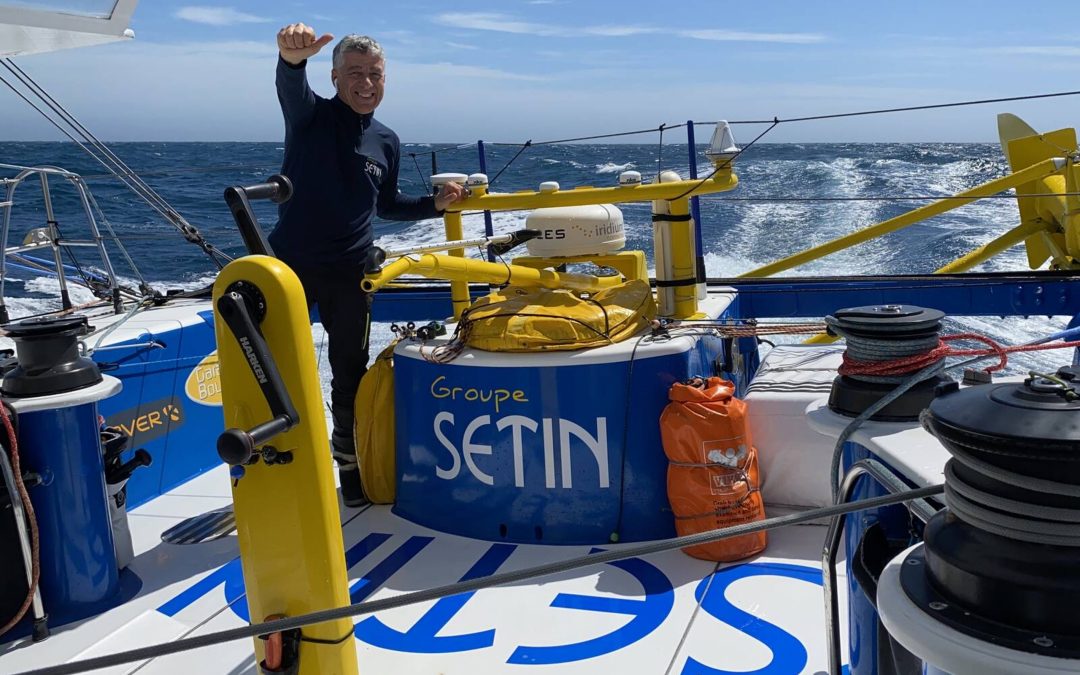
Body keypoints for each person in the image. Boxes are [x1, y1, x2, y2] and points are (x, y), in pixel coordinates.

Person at [271, 22, 466, 507]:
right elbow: (291, 89)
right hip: (290, 264)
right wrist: (291, 59)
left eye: (374, 74)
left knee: (349, 373)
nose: (366, 83)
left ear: (385, 79)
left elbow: (387, 205)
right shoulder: (310, 117)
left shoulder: (387, 140)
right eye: (354, 73)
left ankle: (349, 463)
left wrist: (433, 206)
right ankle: (279, 459)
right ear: (335, 78)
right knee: (275, 367)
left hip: (350, 270)